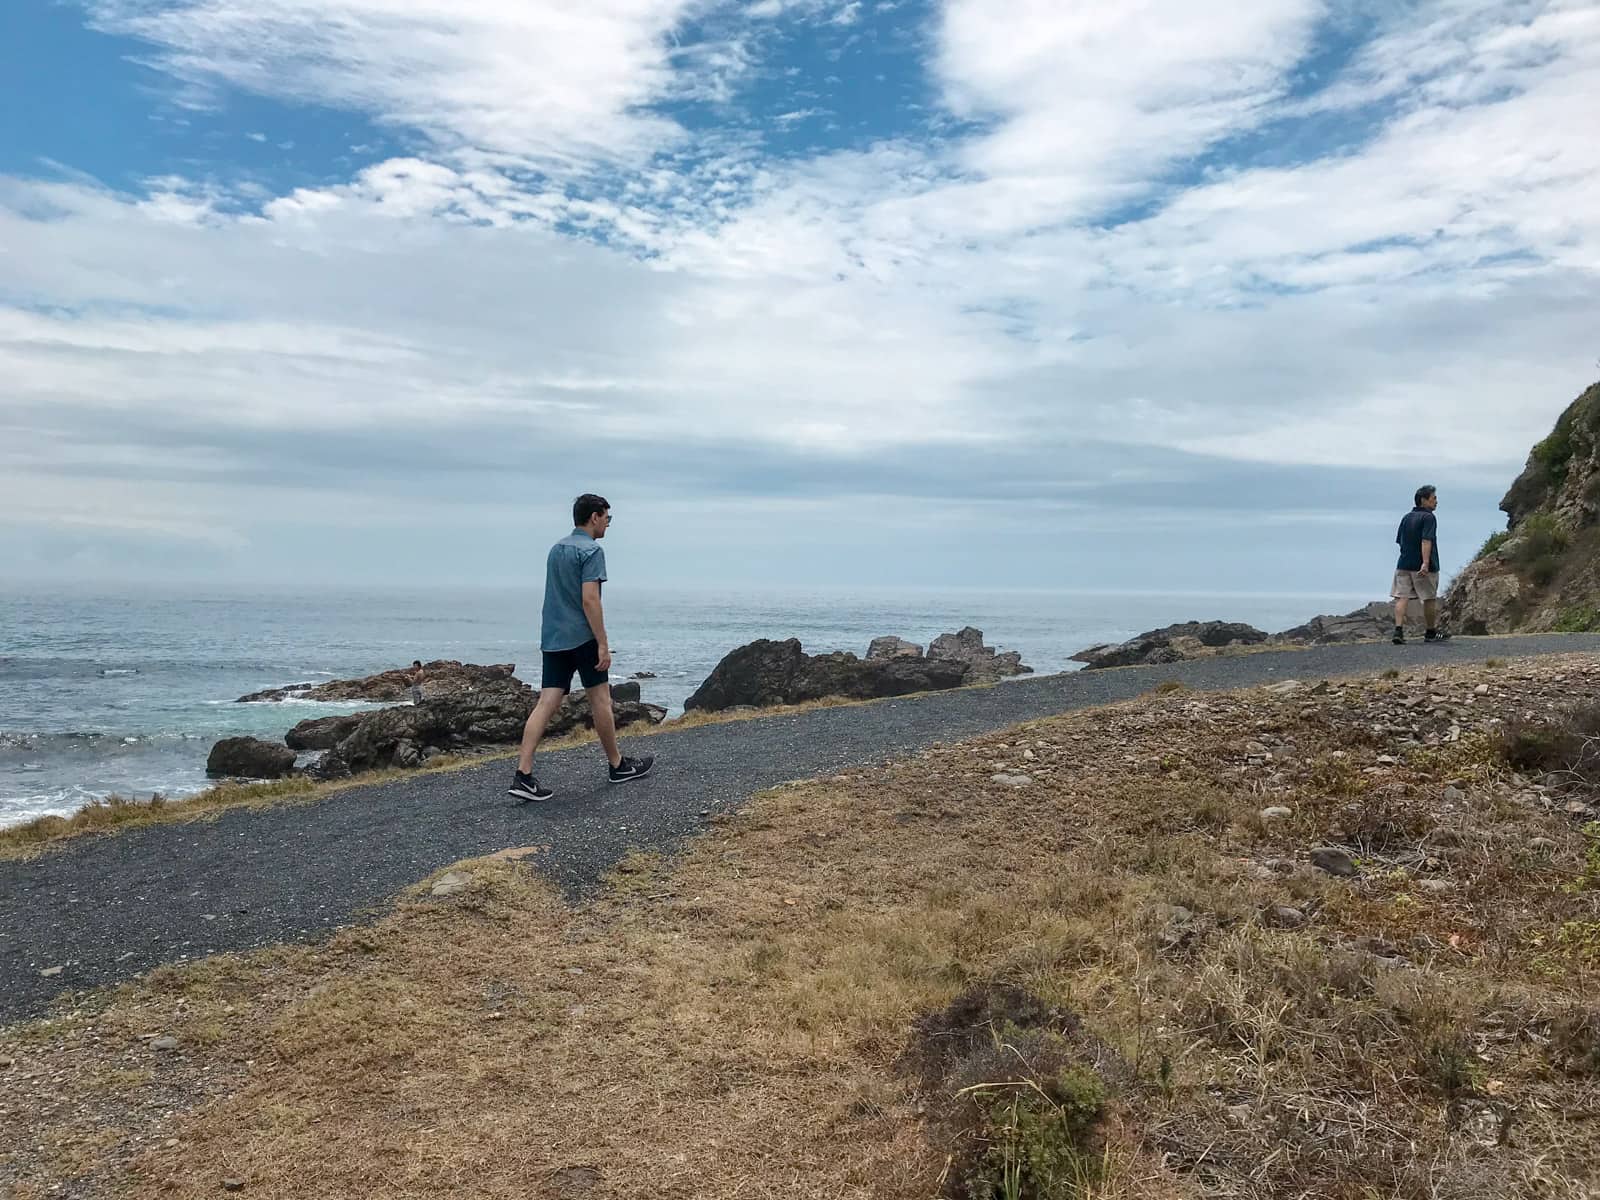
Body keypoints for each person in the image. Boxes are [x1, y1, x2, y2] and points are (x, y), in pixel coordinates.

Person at [508, 494, 655, 802]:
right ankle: (617, 766)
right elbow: (590, 599)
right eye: (607, 518)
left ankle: (523, 775)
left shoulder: (556, 549)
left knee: (547, 702)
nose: (608, 524)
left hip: (553, 636)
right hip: (582, 637)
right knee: (601, 700)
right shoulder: (591, 551)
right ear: (593, 517)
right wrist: (602, 643)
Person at [1392, 485, 1451, 645]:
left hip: (1403, 564)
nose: (1436, 501)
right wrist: (1425, 563)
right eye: (1434, 498)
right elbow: (1426, 540)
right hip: (1424, 566)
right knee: (1429, 598)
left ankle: (1398, 631)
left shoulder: (1406, 517)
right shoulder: (1429, 518)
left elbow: (1400, 541)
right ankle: (1430, 632)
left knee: (1401, 597)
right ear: (1424, 500)